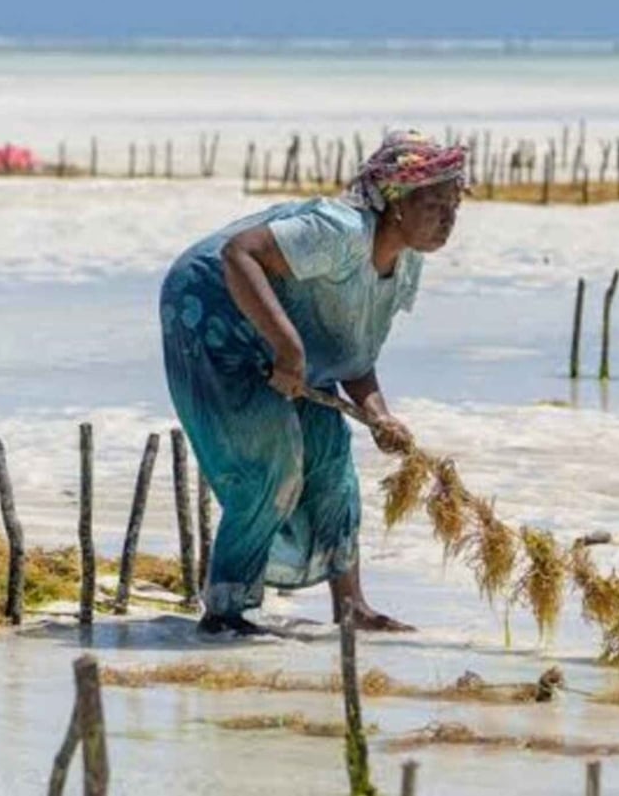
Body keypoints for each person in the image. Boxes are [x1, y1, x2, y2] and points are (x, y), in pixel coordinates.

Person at [159, 130, 464, 636]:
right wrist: (289, 349)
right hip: (210, 311)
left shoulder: (405, 265)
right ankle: (225, 608)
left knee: (330, 459)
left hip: (283, 334)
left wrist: (379, 415)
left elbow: (352, 353)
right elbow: (240, 254)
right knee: (270, 462)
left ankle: (353, 608)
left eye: (454, 205)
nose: (448, 218)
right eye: (434, 204)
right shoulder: (339, 230)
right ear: (395, 204)